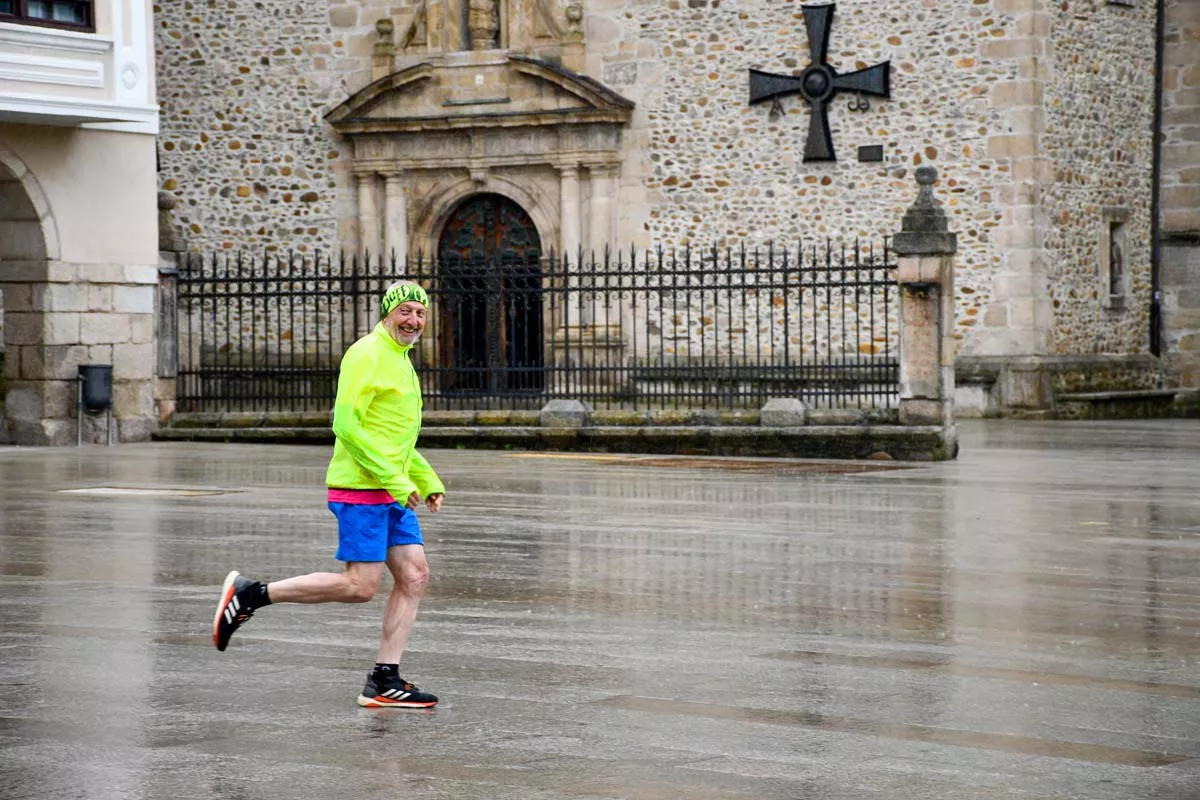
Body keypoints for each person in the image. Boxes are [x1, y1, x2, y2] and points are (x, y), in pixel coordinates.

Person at [212, 280, 445, 709]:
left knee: (414, 576)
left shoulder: (402, 361)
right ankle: (250, 594)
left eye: (421, 313)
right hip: (361, 489)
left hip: (391, 488)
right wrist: (396, 482)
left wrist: (425, 479)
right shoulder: (366, 353)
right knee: (359, 587)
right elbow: (347, 426)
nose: (413, 320)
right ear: (388, 313)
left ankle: (384, 680)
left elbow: (395, 436)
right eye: (406, 312)